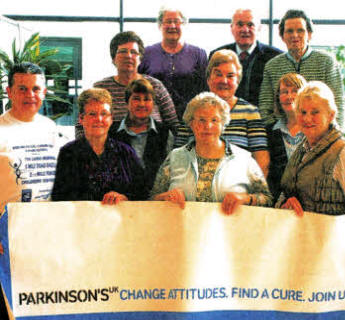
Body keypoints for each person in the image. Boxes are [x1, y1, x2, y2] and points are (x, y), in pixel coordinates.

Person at [151, 92, 272, 214]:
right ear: (191, 123)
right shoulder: (175, 157)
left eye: (214, 120)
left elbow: (267, 200)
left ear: (223, 124)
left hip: (231, 231)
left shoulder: (243, 159)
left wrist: (246, 198)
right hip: (183, 230)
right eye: (201, 120)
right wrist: (165, 197)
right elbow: (152, 199)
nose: (208, 126)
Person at [175, 49, 270, 177]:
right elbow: (177, 157)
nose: (224, 81)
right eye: (218, 74)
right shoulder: (193, 109)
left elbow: (261, 161)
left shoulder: (250, 112)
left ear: (238, 81)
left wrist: (250, 192)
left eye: (230, 76)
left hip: (238, 188)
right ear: (208, 79)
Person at [75, 31, 179, 138]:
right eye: (123, 51)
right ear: (113, 58)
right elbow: (81, 124)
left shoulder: (155, 86)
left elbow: (174, 125)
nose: (128, 56)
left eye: (134, 52)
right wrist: (87, 150)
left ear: (140, 59)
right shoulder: (101, 88)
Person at [52, 88, 148, 202]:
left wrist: (125, 198)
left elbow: (143, 193)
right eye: (92, 114)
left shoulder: (126, 152)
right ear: (81, 118)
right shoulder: (68, 153)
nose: (99, 119)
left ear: (111, 118)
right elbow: (59, 197)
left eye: (104, 113)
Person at [259, 9, 344, 128]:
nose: (295, 35)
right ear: (282, 36)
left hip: (319, 133)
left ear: (309, 34)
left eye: (300, 30)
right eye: (289, 31)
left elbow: (338, 104)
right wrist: (278, 134)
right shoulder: (272, 66)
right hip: (282, 136)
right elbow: (265, 107)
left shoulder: (326, 62)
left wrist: (332, 136)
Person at [0, 62, 68, 206]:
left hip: (46, 221)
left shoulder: (50, 127)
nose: (30, 95)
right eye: (22, 89)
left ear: (43, 93)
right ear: (9, 92)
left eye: (35, 89)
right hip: (8, 224)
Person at [277, 81, 345, 216]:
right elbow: (284, 193)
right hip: (302, 234)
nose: (307, 118)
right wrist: (284, 205)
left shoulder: (341, 151)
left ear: (330, 115)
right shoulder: (300, 150)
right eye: (302, 112)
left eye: (315, 112)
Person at [138, 6, 208, 121]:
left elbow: (205, 90)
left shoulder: (198, 54)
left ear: (184, 25)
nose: (172, 26)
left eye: (177, 21)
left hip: (189, 119)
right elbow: (136, 86)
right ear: (160, 25)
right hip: (153, 120)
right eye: (168, 22)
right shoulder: (146, 53)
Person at [209, 8, 282, 107]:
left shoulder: (275, 57)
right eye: (239, 24)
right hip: (224, 117)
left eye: (250, 25)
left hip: (262, 119)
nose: (245, 29)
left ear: (259, 28)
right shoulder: (217, 55)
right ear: (231, 28)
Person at [108, 78, 171, 192]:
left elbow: (169, 172)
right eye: (136, 99)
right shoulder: (111, 133)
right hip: (119, 200)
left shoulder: (165, 133)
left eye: (147, 99)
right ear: (127, 102)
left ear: (153, 104)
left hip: (156, 200)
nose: (142, 104)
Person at [266, 73, 307, 201]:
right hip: (279, 204)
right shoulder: (269, 132)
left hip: (311, 203)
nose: (289, 96)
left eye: (295, 91)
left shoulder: (314, 130)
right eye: (284, 92)